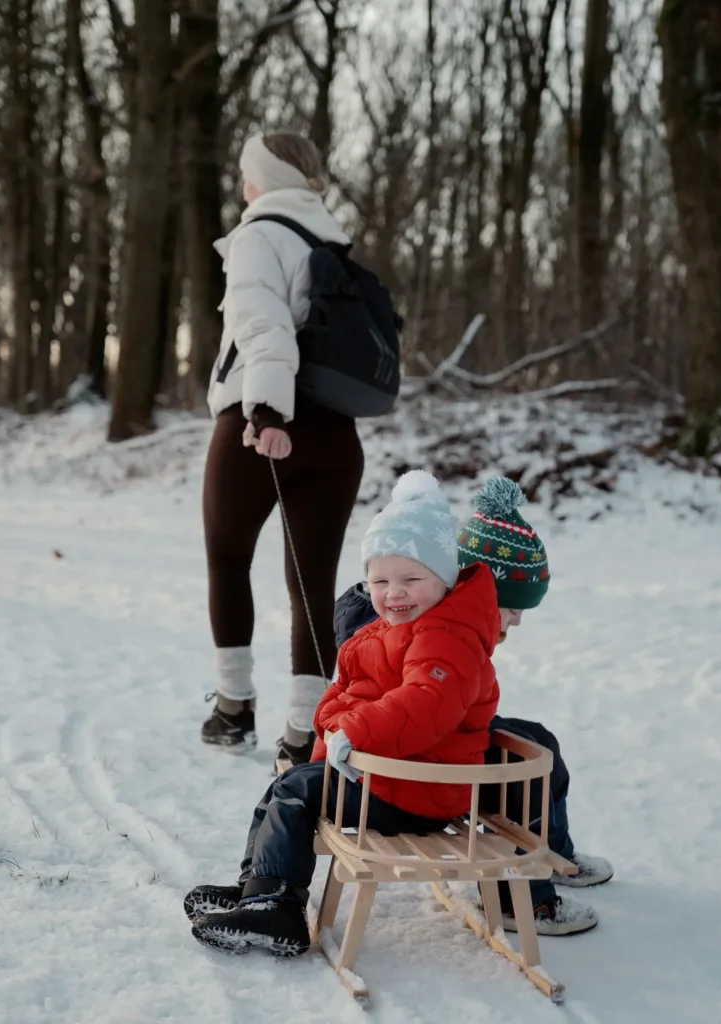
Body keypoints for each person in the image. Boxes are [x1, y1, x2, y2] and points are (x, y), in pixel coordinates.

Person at [184, 470, 503, 956]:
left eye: (410, 579)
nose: (393, 593)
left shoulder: (447, 638)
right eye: (379, 581)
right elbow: (351, 690)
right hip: (395, 775)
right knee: (285, 786)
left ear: (444, 579)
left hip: (422, 788)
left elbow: (424, 706)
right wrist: (337, 717)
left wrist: (351, 726)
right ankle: (260, 889)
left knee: (296, 790)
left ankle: (279, 911)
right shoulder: (401, 628)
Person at [333, 477, 612, 935]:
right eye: (512, 607)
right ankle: (523, 898)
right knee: (525, 766)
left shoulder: (431, 607)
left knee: (539, 741)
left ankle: (554, 851)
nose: (517, 621)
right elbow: (406, 697)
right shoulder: (403, 614)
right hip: (410, 757)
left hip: (432, 736)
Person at [201, 131, 364, 764]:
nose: (242, 184)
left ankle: (233, 706)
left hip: (263, 423)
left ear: (261, 180)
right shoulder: (330, 242)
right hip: (337, 433)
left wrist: (266, 410)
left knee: (227, 558)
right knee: (311, 585)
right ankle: (305, 735)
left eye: (246, 173)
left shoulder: (256, 236)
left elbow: (263, 324)